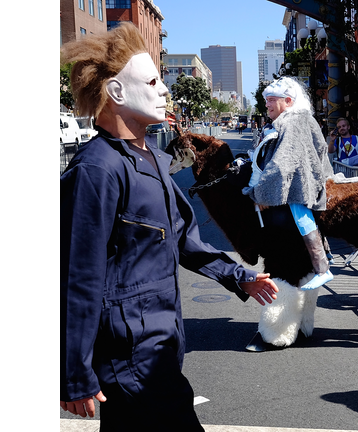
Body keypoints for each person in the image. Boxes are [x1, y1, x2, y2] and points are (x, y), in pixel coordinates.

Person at [59, 23, 279, 429]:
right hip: (129, 355)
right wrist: (74, 372)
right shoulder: (97, 169)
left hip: (162, 340)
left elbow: (183, 239)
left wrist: (239, 277)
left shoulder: (156, 161)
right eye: (153, 81)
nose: (164, 90)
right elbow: (78, 276)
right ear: (117, 93)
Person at [243, 76, 335, 291]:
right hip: (302, 184)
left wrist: (259, 192)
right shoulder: (299, 119)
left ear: (289, 101)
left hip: (298, 187)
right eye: (267, 99)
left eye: (272, 99)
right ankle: (321, 265)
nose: (267, 104)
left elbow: (282, 163)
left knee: (300, 218)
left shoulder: (293, 121)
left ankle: (322, 268)